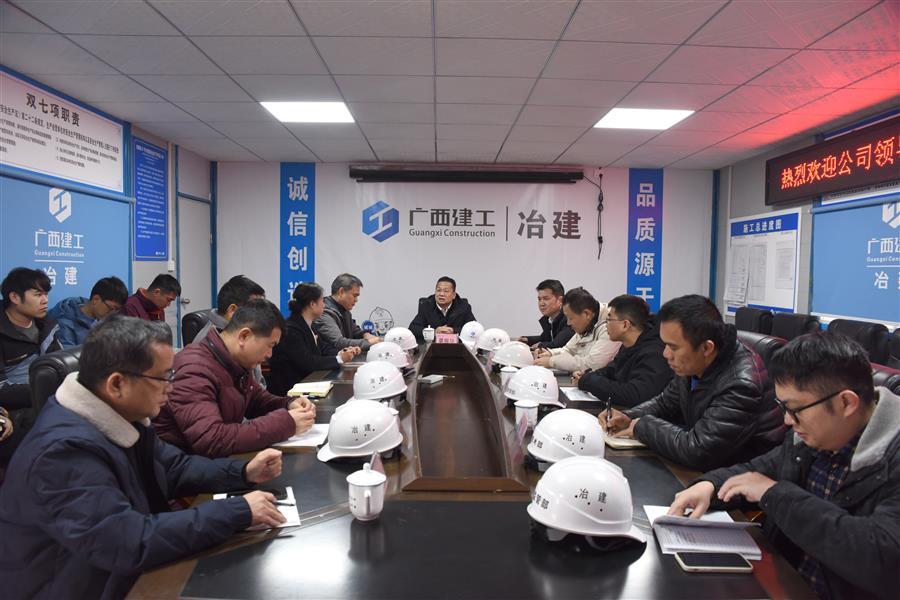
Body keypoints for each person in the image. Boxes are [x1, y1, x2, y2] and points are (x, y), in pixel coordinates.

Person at [0, 315, 289, 599]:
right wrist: (236, 511)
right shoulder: (62, 453)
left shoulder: (124, 417)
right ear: (117, 384)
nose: (171, 388)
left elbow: (173, 468)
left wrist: (243, 472)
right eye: (163, 377)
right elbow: (126, 541)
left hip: (116, 575)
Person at [668, 333, 900, 600]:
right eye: (783, 407)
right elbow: (759, 470)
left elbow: (883, 557)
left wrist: (773, 493)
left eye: (795, 410)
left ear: (846, 403)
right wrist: (709, 486)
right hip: (782, 583)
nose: (788, 421)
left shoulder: (891, 455)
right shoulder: (812, 437)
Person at [603, 294, 784, 471]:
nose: (665, 354)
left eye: (673, 347)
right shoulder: (695, 363)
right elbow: (666, 402)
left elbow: (699, 450)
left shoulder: (742, 384)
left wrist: (642, 426)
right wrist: (628, 416)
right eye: (665, 344)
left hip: (740, 477)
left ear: (706, 348)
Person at [153, 299, 316, 458]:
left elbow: (257, 400)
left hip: (216, 463)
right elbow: (212, 440)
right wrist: (285, 423)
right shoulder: (194, 370)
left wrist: (288, 404)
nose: (269, 355)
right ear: (244, 336)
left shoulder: (233, 361)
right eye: (270, 345)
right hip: (184, 467)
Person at [0, 268, 62, 468]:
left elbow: (60, 365)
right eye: (38, 294)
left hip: (47, 400)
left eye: (46, 294)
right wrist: (44, 389)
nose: (45, 300)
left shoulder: (47, 326)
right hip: (12, 411)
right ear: (14, 297)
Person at [572, 294, 672, 408]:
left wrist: (589, 381)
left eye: (609, 319)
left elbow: (634, 395)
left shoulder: (654, 353)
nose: (605, 325)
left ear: (625, 325)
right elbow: (612, 369)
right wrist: (587, 376)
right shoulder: (630, 344)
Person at [267, 282, 361, 396]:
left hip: (308, 384)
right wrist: (339, 359)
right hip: (288, 390)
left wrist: (344, 351)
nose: (324, 305)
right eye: (322, 300)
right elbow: (308, 362)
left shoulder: (309, 324)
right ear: (312, 304)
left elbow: (323, 349)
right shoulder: (291, 329)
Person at [192, 275, 267, 385]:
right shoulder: (208, 344)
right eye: (255, 311)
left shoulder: (243, 334)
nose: (260, 317)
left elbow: (258, 383)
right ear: (233, 311)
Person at [533, 287, 619, 374]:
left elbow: (592, 364)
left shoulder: (611, 326)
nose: (568, 323)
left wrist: (551, 361)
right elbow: (569, 350)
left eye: (570, 318)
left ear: (586, 314)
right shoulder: (589, 321)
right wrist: (550, 353)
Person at [48, 275, 128, 347]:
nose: (112, 314)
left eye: (117, 310)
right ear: (96, 299)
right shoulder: (64, 323)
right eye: (111, 308)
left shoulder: (102, 318)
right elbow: (68, 357)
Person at [313, 273, 379, 355]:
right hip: (329, 360)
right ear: (341, 292)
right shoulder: (323, 313)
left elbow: (355, 332)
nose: (356, 300)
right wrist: (369, 342)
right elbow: (339, 343)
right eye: (354, 296)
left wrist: (365, 335)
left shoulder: (344, 310)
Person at [193, 275, 266, 344]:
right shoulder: (211, 342)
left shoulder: (234, 331)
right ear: (233, 310)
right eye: (255, 309)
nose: (260, 315)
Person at [408, 276, 477, 343]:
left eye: (446, 291)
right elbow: (413, 328)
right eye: (438, 290)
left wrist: (453, 330)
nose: (441, 294)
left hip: (457, 347)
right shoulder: (426, 306)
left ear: (453, 295)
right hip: (432, 347)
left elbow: (474, 329)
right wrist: (433, 332)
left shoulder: (463, 307)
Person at [518, 279, 574, 350]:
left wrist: (540, 345)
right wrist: (527, 340)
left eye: (546, 299)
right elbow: (545, 338)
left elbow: (557, 345)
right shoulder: (550, 319)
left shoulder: (569, 319)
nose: (541, 303)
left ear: (560, 300)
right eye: (539, 299)